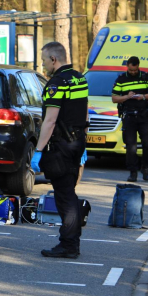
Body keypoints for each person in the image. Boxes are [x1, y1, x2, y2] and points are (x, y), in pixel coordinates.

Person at [36, 42, 88, 259]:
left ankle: (69, 245)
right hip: (77, 142)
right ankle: (71, 239)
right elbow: (85, 112)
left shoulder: (56, 83)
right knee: (69, 193)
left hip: (61, 146)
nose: (44, 65)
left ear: (54, 59)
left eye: (45, 61)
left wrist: (38, 150)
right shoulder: (79, 78)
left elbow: (50, 120)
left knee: (64, 196)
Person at [112, 56, 148, 182]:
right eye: (131, 70)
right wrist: (127, 97)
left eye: (135, 70)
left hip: (144, 116)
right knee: (131, 146)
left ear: (138, 66)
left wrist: (143, 96)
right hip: (129, 116)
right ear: (127, 66)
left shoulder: (145, 77)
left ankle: (146, 167)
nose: (133, 72)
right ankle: (133, 172)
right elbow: (114, 98)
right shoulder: (121, 79)